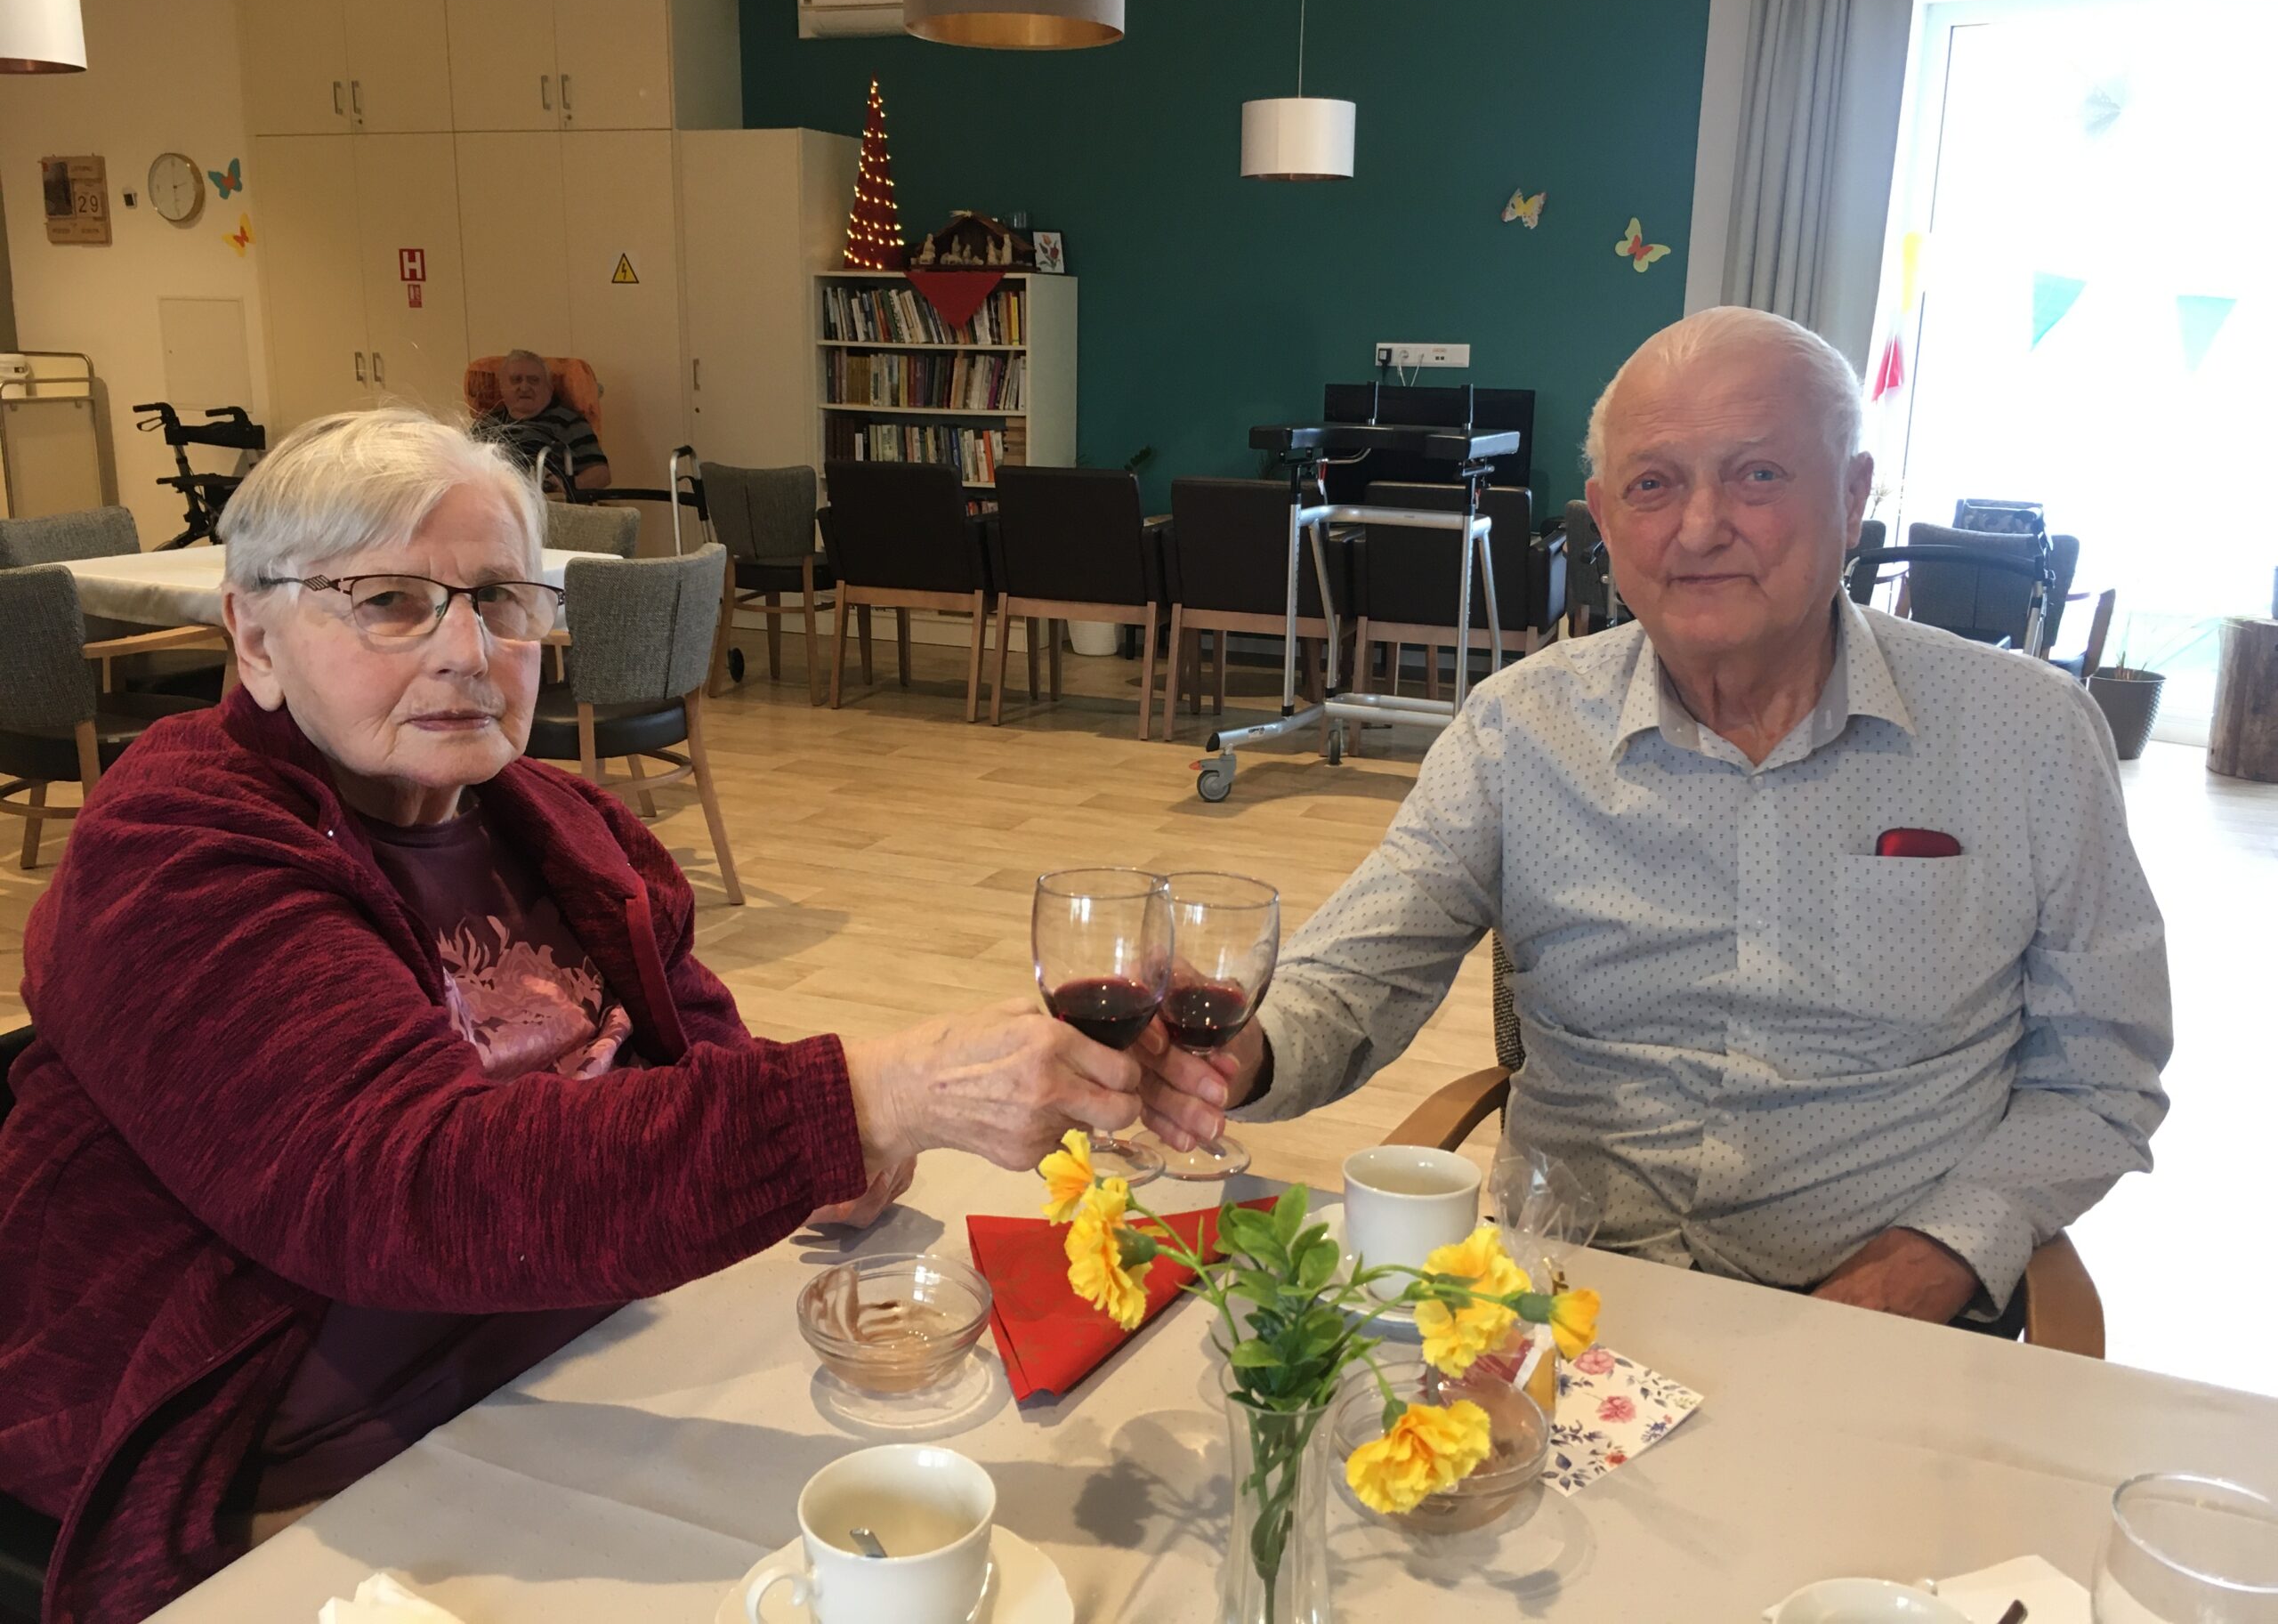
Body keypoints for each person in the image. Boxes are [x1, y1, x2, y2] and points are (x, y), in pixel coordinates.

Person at [0, 408, 1143, 1621]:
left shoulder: (567, 823)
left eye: (501, 599)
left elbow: (711, 1070)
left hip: (587, 1357)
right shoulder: (174, 844)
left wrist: (833, 1152)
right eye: (389, 602)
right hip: (312, 1466)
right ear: (254, 636)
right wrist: (867, 1096)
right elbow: (404, 1187)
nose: (467, 651)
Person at [1135, 306, 2170, 1332]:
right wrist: (1230, 1046)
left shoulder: (2024, 735)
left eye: (1758, 474)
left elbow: (2100, 1073)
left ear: (1853, 496)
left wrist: (1941, 1254)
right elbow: (1354, 975)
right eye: (1653, 484)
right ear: (1602, 517)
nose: (1700, 527)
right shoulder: (1519, 731)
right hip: (1569, 1304)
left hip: (1884, 1319)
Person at [479, 348, 611, 496]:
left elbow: (602, 474)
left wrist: (566, 485)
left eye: (533, 380)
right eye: (516, 380)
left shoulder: (569, 423)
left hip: (545, 503)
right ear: (502, 386)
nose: (524, 387)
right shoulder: (485, 424)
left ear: (549, 388)